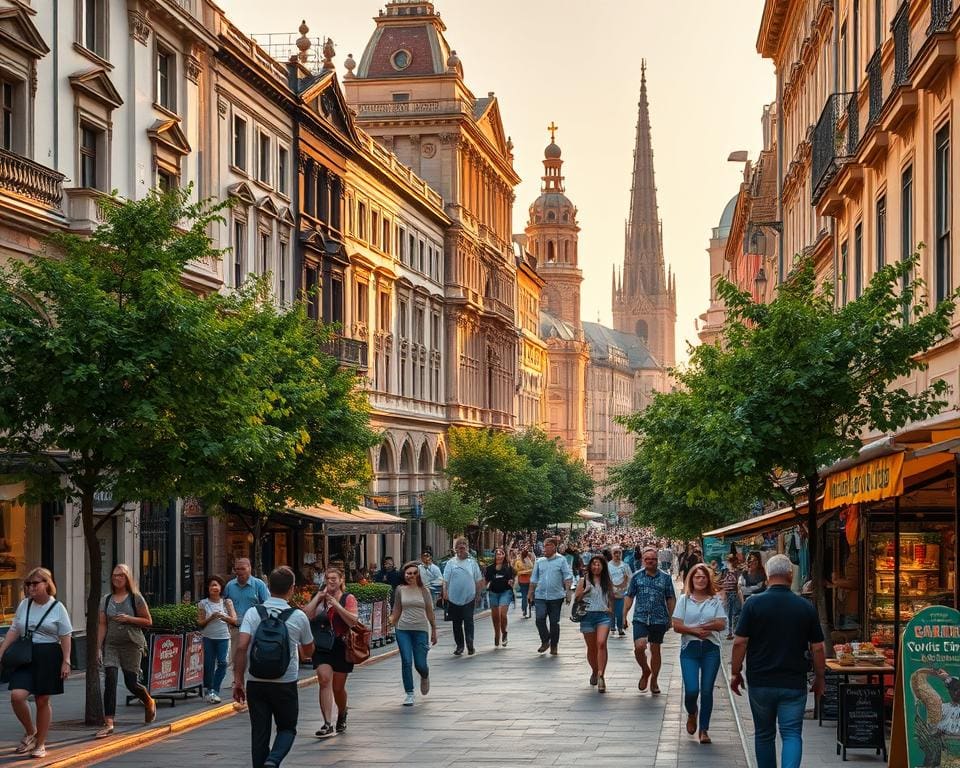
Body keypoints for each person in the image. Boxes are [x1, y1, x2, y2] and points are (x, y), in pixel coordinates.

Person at [730, 554, 825, 768]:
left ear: (767, 573)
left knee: (764, 734)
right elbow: (818, 647)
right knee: (791, 733)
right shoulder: (805, 606)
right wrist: (820, 678)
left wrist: (735, 672)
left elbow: (739, 643)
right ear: (790, 575)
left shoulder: (753, 604)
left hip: (761, 681)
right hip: (793, 681)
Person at [233, 566, 314, 768]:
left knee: (259, 732)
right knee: (287, 728)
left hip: (256, 681)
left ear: (268, 587)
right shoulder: (298, 616)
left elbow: (242, 646)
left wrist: (238, 681)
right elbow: (309, 651)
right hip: (285, 682)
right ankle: (273, 760)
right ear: (292, 589)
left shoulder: (253, 613)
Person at [0, 567, 72, 759]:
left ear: (46, 584)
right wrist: (1, 650)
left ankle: (40, 743)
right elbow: (14, 629)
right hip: (25, 654)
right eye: (28, 584)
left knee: (42, 699)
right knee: (17, 696)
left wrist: (66, 661)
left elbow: (65, 635)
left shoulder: (57, 607)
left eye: (35, 583)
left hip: (48, 655)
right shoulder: (25, 605)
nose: (30, 587)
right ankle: (31, 731)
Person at [96, 564, 156, 738]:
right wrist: (98, 648)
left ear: (127, 578)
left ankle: (148, 700)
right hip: (111, 645)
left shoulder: (135, 598)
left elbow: (148, 621)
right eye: (114, 575)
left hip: (132, 644)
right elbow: (102, 624)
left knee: (131, 683)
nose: (117, 578)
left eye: (121, 575)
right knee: (110, 679)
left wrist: (129, 618)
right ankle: (108, 722)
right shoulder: (106, 599)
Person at [673, 563, 727, 744]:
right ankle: (691, 712)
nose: (700, 580)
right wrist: (695, 631)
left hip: (710, 649)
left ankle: (704, 729)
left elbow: (721, 624)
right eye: (697, 577)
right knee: (692, 689)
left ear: (708, 579)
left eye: (703, 577)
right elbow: (676, 625)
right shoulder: (684, 600)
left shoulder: (714, 600)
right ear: (691, 579)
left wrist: (706, 627)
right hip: (690, 649)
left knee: (706, 690)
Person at [304, 566, 359, 737]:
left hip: (340, 646)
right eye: (328, 578)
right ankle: (327, 723)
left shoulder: (348, 598)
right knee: (324, 679)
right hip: (321, 646)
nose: (331, 581)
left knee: (338, 688)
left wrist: (336, 605)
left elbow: (352, 622)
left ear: (342, 580)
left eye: (334, 578)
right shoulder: (320, 598)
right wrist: (318, 598)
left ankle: (342, 713)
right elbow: (306, 615)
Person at [623, 547, 676, 694]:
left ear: (657, 560)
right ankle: (646, 670)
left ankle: (654, 680)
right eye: (647, 559)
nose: (650, 561)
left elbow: (670, 598)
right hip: (640, 617)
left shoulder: (665, 578)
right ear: (642, 560)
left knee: (655, 649)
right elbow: (629, 596)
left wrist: (671, 618)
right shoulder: (636, 577)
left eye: (653, 559)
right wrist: (624, 615)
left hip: (659, 618)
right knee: (639, 647)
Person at [388, 562, 437, 706]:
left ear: (419, 575)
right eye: (409, 573)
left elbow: (429, 611)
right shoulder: (400, 590)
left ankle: (425, 675)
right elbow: (396, 611)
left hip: (421, 630)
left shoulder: (424, 590)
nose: (411, 576)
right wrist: (389, 622)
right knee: (406, 661)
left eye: (415, 573)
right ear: (404, 575)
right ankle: (409, 693)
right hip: (403, 629)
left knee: (420, 664)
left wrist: (434, 630)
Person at [528, 537, 573, 656]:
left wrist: (568, 593)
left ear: (553, 547)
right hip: (540, 596)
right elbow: (534, 578)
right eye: (544, 546)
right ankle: (545, 641)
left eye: (547, 546)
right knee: (539, 619)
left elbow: (567, 577)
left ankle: (554, 645)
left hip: (556, 597)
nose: (544, 548)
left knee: (554, 622)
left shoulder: (561, 560)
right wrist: (530, 593)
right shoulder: (539, 561)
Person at [575, 555, 613, 692]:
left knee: (601, 643)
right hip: (587, 616)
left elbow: (611, 597)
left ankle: (601, 674)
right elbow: (577, 598)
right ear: (590, 566)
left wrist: (610, 609)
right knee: (591, 648)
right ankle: (594, 670)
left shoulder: (607, 581)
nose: (596, 567)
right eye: (594, 564)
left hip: (603, 616)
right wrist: (585, 591)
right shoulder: (583, 580)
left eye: (599, 564)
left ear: (603, 567)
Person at [198, 575, 238, 704]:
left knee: (222, 663)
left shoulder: (227, 602)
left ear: (221, 588)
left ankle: (215, 689)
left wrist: (223, 617)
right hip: (208, 637)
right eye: (211, 585)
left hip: (223, 637)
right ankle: (209, 689)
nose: (214, 588)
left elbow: (234, 620)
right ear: (208, 589)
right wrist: (211, 618)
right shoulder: (203, 603)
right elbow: (200, 623)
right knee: (209, 664)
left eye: (216, 585)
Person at [441, 537, 483, 656]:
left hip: (469, 597)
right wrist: (445, 591)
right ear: (456, 548)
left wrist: (478, 594)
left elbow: (478, 580)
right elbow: (445, 579)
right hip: (453, 598)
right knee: (456, 622)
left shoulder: (472, 563)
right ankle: (460, 645)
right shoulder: (451, 563)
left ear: (467, 547)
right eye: (460, 544)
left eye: (464, 544)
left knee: (468, 620)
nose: (462, 546)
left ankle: (470, 643)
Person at [485, 548, 515, 647]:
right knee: (495, 617)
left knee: (502, 614)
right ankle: (497, 634)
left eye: (501, 553)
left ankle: (504, 632)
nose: (499, 555)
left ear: (504, 556)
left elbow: (512, 579)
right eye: (497, 554)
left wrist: (511, 582)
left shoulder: (508, 567)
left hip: (505, 592)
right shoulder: (490, 568)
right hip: (493, 592)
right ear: (494, 556)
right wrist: (482, 590)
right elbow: (486, 581)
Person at [607, 547, 632, 638]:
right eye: (615, 553)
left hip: (622, 592)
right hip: (611, 593)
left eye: (619, 553)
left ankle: (620, 627)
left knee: (621, 611)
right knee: (611, 610)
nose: (617, 555)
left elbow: (630, 578)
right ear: (612, 554)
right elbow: (606, 579)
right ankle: (612, 626)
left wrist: (627, 590)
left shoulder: (625, 566)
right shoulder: (607, 566)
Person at [720, 554, 742, 639]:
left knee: (735, 613)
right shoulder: (725, 571)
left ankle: (734, 631)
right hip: (728, 594)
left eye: (728, 561)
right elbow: (722, 582)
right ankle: (730, 632)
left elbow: (738, 585)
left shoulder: (737, 572)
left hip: (734, 593)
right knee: (728, 613)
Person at [513, 548, 535, 618]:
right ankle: (530, 606)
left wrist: (521, 572)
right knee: (530, 594)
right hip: (530, 580)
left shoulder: (518, 562)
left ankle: (524, 609)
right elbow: (532, 569)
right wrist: (527, 571)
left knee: (524, 595)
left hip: (522, 581)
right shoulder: (529, 561)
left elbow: (516, 571)